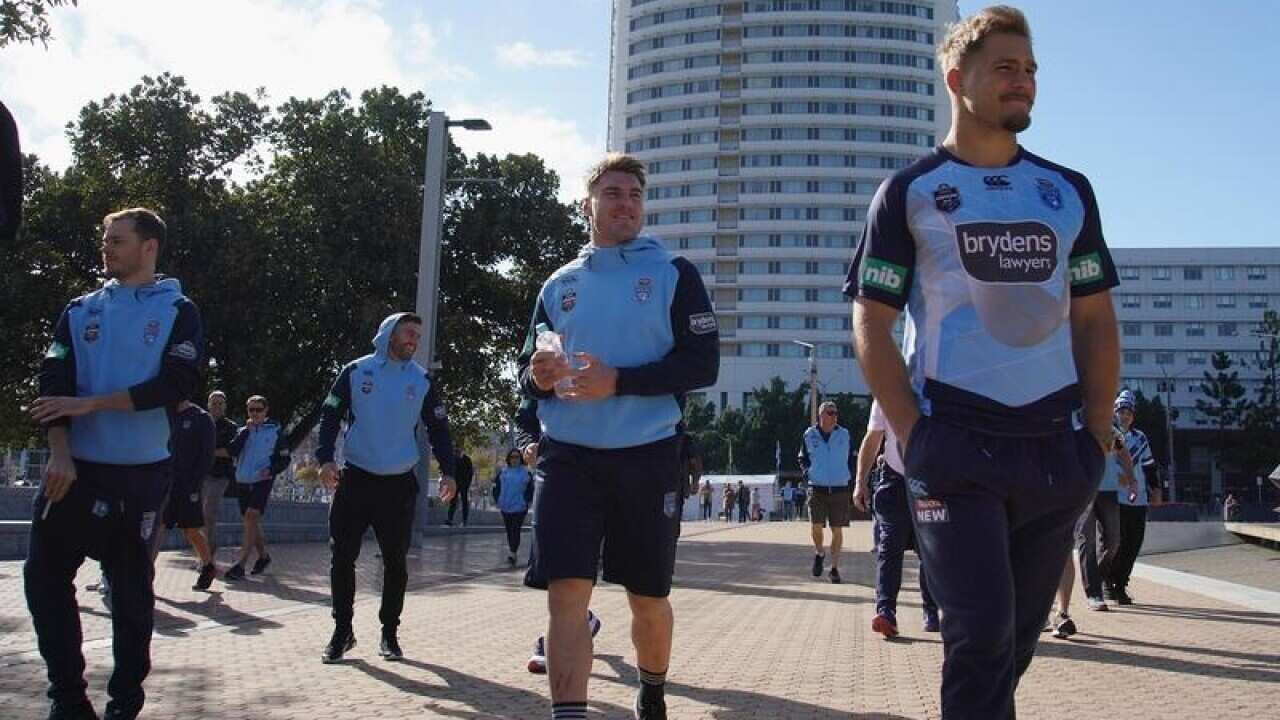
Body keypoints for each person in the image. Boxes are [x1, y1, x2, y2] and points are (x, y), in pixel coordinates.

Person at [847, 7, 1119, 717]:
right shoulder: (907, 192)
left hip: (1056, 449)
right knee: (979, 635)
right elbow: (871, 320)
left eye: (1029, 70)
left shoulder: (1068, 190)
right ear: (955, 78)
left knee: (1012, 646)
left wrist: (1095, 431)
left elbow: (1094, 316)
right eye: (1005, 67)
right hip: (954, 445)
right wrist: (913, 432)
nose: (1023, 82)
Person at [516, 152, 719, 720]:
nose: (625, 203)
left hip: (648, 457)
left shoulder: (674, 273)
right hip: (568, 460)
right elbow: (525, 374)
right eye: (612, 193)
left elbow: (703, 366)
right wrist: (537, 375)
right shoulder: (560, 285)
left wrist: (620, 382)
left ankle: (652, 690)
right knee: (566, 596)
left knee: (648, 599)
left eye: (633, 194)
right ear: (589, 205)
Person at [27, 207, 204, 720]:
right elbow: (52, 387)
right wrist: (60, 451)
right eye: (105, 240)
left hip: (140, 476)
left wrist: (94, 404)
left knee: (129, 596)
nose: (106, 248)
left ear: (149, 248)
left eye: (117, 241)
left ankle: (124, 702)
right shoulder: (80, 310)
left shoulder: (179, 310)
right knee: (42, 578)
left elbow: (177, 384)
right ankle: (68, 698)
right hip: (75, 470)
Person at [316, 312, 457, 663]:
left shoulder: (422, 380)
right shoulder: (355, 371)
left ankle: (389, 633)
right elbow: (330, 415)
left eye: (418, 335)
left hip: (397, 486)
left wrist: (450, 472)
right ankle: (342, 631)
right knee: (342, 558)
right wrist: (324, 460)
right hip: (356, 479)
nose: (414, 339)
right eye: (408, 332)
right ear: (389, 334)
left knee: (396, 562)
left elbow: (439, 429)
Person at [515, 399, 605, 676]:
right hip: (562, 468)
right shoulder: (546, 356)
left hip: (622, 469)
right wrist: (528, 442)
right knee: (560, 568)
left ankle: (580, 621)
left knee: (599, 568)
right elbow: (527, 408)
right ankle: (562, 632)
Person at [854, 400, 939, 637]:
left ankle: (931, 610)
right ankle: (886, 612)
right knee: (889, 546)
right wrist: (860, 481)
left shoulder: (940, 385)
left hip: (931, 480)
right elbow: (872, 439)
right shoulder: (886, 389)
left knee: (930, 549)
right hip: (894, 481)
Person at [150, 399, 218, 590]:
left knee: (190, 530)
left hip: (189, 485)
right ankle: (146, 575)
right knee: (159, 526)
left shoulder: (202, 418)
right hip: (164, 482)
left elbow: (206, 457)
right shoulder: (164, 414)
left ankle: (208, 565)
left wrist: (194, 484)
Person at [223, 395, 290, 581]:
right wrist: (245, 432)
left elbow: (285, 458)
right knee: (250, 520)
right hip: (243, 479)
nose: (254, 413)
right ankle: (263, 557)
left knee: (252, 516)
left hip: (263, 480)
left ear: (266, 410)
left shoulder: (276, 431)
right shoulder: (243, 431)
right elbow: (232, 450)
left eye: (258, 409)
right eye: (251, 410)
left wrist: (271, 469)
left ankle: (240, 564)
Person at [1076, 403, 1134, 612]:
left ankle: (1097, 578)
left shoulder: (1109, 430)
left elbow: (1124, 454)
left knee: (1114, 541)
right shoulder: (1076, 428)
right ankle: (1093, 593)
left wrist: (1132, 478)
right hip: (1084, 491)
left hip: (1108, 491)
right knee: (1087, 540)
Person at [1109, 390, 1158, 605]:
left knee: (1133, 544)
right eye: (1121, 410)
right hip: (1114, 497)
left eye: (1128, 411)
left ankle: (1120, 584)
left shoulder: (1140, 438)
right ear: (1115, 412)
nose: (1125, 415)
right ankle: (1107, 580)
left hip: (1138, 499)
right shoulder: (1108, 434)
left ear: (1133, 415)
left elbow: (1149, 466)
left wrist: (1155, 489)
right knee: (1115, 543)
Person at [798, 401, 855, 584]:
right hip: (817, 487)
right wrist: (807, 473)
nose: (834, 416)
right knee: (816, 525)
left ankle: (834, 568)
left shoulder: (844, 434)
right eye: (830, 413)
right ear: (821, 415)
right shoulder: (809, 434)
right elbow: (802, 457)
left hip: (839, 487)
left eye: (836, 412)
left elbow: (852, 458)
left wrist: (851, 477)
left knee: (837, 529)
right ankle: (820, 552)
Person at [203, 390, 239, 557]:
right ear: (208, 405)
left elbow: (230, 451)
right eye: (213, 403)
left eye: (220, 403)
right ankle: (204, 553)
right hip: (201, 475)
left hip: (220, 476)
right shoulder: (201, 422)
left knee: (209, 512)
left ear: (225, 406)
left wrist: (207, 451)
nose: (216, 406)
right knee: (198, 516)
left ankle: (209, 553)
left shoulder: (231, 427)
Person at [493, 448, 535, 567]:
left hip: (520, 507)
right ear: (509, 459)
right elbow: (496, 487)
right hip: (505, 506)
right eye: (512, 457)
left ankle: (512, 553)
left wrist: (526, 501)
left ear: (520, 459)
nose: (514, 459)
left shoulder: (526, 473)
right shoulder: (503, 472)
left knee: (515, 529)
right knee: (509, 530)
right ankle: (513, 550)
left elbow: (531, 489)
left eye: (517, 457)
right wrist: (497, 500)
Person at [446, 447, 474, 527]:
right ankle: (450, 519)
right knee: (453, 501)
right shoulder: (453, 459)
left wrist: (468, 483)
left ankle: (464, 521)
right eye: (456, 451)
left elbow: (470, 473)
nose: (457, 452)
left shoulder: (467, 460)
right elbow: (450, 470)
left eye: (458, 451)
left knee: (464, 502)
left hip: (464, 484)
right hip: (455, 483)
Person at [680, 434, 703, 518]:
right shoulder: (686, 441)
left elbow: (695, 464)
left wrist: (695, 482)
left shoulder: (686, 442)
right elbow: (695, 465)